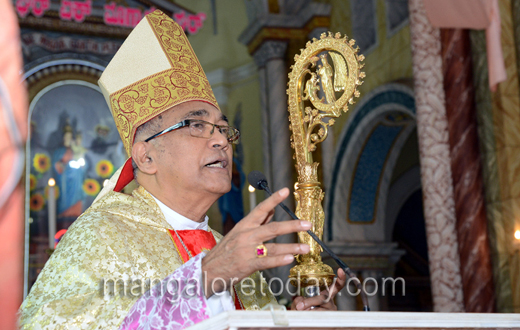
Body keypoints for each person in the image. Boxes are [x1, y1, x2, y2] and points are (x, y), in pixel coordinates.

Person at [19, 10, 345, 329]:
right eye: (195, 124)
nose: (220, 139)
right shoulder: (102, 234)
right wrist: (206, 277)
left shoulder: (223, 246)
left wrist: (296, 321)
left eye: (222, 128)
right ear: (146, 157)